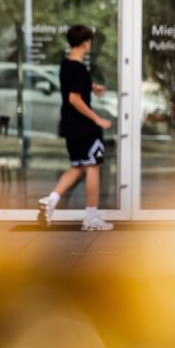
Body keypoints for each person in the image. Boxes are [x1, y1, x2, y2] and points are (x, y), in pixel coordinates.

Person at [38, 24, 114, 231]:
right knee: (93, 167)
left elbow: (74, 84)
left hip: (69, 125)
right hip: (83, 127)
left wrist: (92, 86)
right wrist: (97, 119)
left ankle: (51, 200)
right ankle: (91, 218)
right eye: (90, 41)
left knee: (77, 166)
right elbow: (74, 98)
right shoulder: (79, 68)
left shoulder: (67, 65)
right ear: (85, 42)